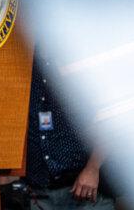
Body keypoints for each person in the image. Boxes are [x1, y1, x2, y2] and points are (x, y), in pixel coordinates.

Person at [21, 53, 116, 209]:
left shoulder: (80, 53)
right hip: (38, 190)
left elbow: (111, 119)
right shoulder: (23, 61)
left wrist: (93, 168)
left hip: (86, 187)